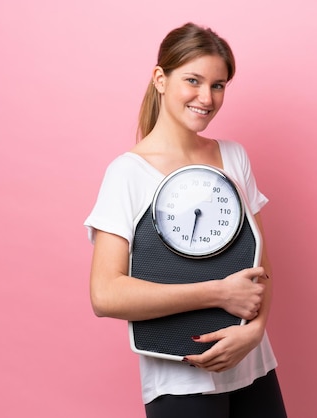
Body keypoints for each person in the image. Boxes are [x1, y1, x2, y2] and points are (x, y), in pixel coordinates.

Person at [84, 22, 287, 418]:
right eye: (193, 80)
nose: (206, 98)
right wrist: (217, 293)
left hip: (253, 363)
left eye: (218, 85)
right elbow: (104, 294)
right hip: (179, 377)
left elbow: (260, 265)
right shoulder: (128, 173)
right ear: (161, 78)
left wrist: (255, 332)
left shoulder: (234, 157)